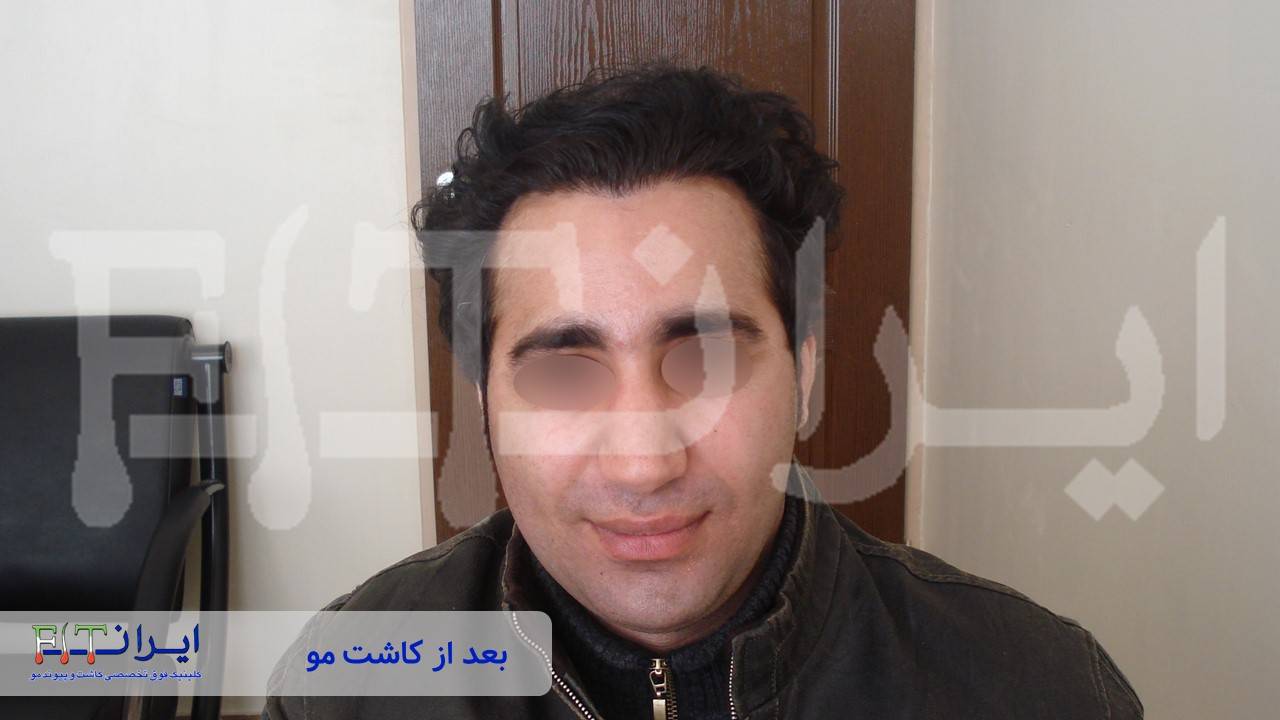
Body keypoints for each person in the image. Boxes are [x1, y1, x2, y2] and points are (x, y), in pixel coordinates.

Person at [263, 63, 1143, 719]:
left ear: (805, 372)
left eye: (706, 358)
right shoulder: (344, 687)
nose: (644, 464)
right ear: (485, 404)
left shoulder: (1039, 689)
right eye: (565, 373)